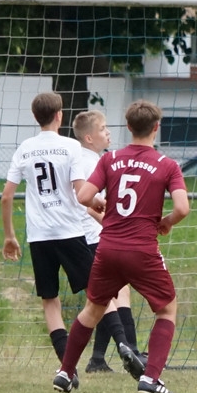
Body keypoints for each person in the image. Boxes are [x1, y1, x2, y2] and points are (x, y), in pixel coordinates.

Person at [1, 92, 143, 383]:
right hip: (70, 231)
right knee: (99, 292)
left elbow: (6, 196)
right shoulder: (70, 147)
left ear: (36, 117)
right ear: (59, 116)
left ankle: (68, 368)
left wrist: (9, 236)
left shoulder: (24, 149)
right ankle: (123, 344)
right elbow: (81, 193)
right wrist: (98, 202)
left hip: (39, 236)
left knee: (50, 301)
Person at [53, 100, 190, 393]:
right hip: (142, 249)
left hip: (109, 248)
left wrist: (98, 202)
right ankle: (150, 379)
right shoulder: (167, 165)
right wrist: (166, 222)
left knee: (92, 309)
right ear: (156, 127)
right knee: (167, 309)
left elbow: (84, 196)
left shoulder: (110, 159)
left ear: (128, 127)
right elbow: (182, 208)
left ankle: (65, 373)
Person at [72, 110, 143, 374]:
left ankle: (99, 359)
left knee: (109, 295)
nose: (108, 132)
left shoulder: (87, 159)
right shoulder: (92, 163)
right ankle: (131, 350)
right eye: (103, 128)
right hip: (91, 237)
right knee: (112, 293)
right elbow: (88, 205)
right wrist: (115, 228)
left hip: (90, 236)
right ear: (89, 137)